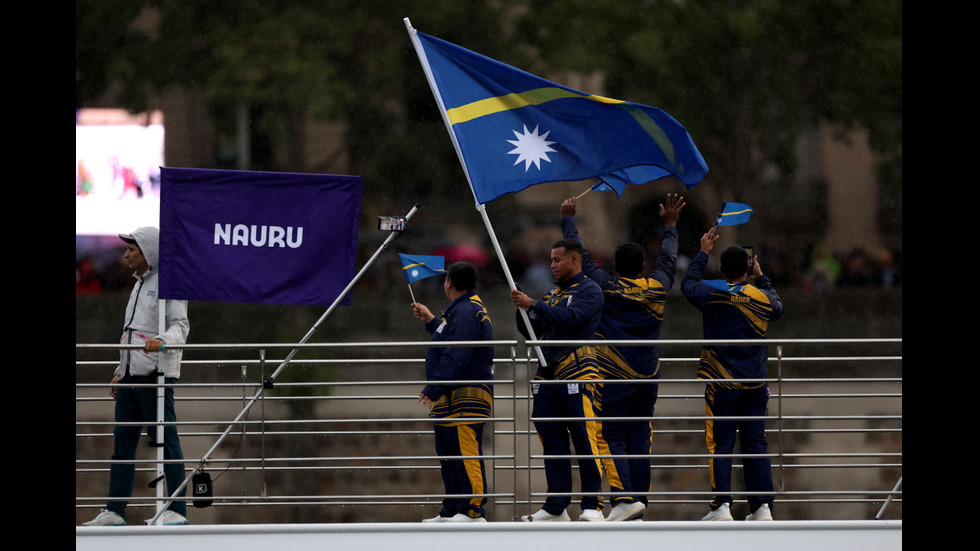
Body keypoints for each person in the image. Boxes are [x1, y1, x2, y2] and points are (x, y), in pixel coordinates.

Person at [559, 193, 685, 522]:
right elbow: (669, 261)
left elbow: (582, 259)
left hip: (613, 374)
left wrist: (569, 219)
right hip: (647, 375)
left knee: (610, 434)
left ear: (615, 265)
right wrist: (670, 226)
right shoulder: (656, 286)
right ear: (643, 267)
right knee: (640, 436)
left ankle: (624, 498)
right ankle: (639, 501)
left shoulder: (604, 286)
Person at [83, 227, 191, 526]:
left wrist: (163, 340)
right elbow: (130, 334)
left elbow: (181, 327)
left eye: (132, 248)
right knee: (123, 446)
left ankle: (177, 510)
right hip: (132, 376)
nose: (126, 254)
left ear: (149, 252)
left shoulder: (170, 283)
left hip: (156, 375)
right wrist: (120, 372)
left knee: (167, 441)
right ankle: (115, 511)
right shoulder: (138, 285)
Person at [681, 227, 784, 521]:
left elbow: (687, 284)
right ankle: (762, 507)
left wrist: (702, 253)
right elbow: (778, 306)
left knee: (720, 442)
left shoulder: (713, 290)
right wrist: (761, 277)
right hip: (755, 382)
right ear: (748, 268)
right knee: (756, 443)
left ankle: (721, 505)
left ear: (722, 268)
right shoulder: (761, 296)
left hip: (721, 381)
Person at [510, 239, 605, 522]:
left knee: (585, 437)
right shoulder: (552, 293)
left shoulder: (591, 290)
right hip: (547, 372)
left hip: (578, 369)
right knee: (551, 439)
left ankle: (593, 505)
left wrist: (534, 304)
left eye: (557, 260)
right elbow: (534, 330)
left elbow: (572, 318)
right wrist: (523, 309)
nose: (552, 265)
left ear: (575, 260)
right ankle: (556, 505)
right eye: (551, 260)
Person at [411, 262, 494, 523]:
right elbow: (450, 337)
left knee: (464, 450)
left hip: (465, 393)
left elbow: (457, 351)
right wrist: (431, 320)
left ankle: (472, 509)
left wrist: (433, 387)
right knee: (449, 453)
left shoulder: (467, 311)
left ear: (448, 282)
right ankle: (453, 508)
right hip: (452, 394)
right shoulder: (462, 310)